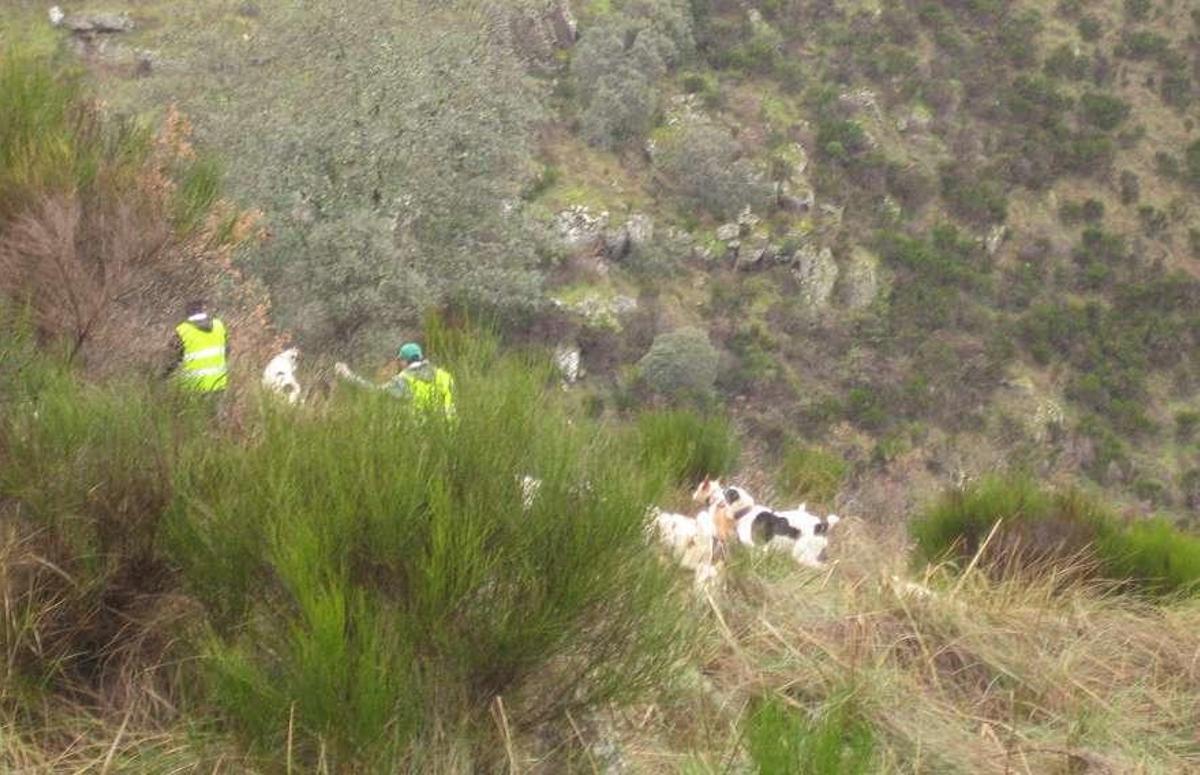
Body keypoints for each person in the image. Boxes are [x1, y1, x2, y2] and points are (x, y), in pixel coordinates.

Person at [335, 341, 455, 417]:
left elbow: (375, 392)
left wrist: (348, 376)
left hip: (422, 435)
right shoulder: (445, 376)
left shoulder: (404, 380)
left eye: (400, 361)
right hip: (450, 432)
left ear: (404, 361)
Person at [165, 300, 229, 393]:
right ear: (203, 309)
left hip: (193, 388)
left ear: (187, 312)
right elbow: (226, 352)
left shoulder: (182, 331)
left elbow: (173, 360)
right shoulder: (219, 325)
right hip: (218, 385)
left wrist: (163, 376)